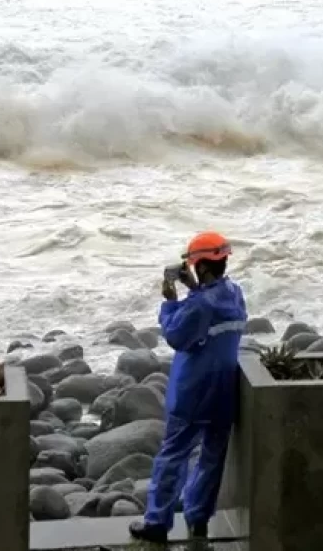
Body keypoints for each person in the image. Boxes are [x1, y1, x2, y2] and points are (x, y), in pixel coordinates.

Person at [129, 231, 247, 544]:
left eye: (195, 267)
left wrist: (170, 301)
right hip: (223, 392)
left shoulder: (198, 306)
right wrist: (194, 289)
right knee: (211, 458)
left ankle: (157, 522)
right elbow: (211, 308)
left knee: (173, 456)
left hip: (193, 391)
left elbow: (177, 335)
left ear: (202, 267)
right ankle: (198, 520)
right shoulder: (234, 294)